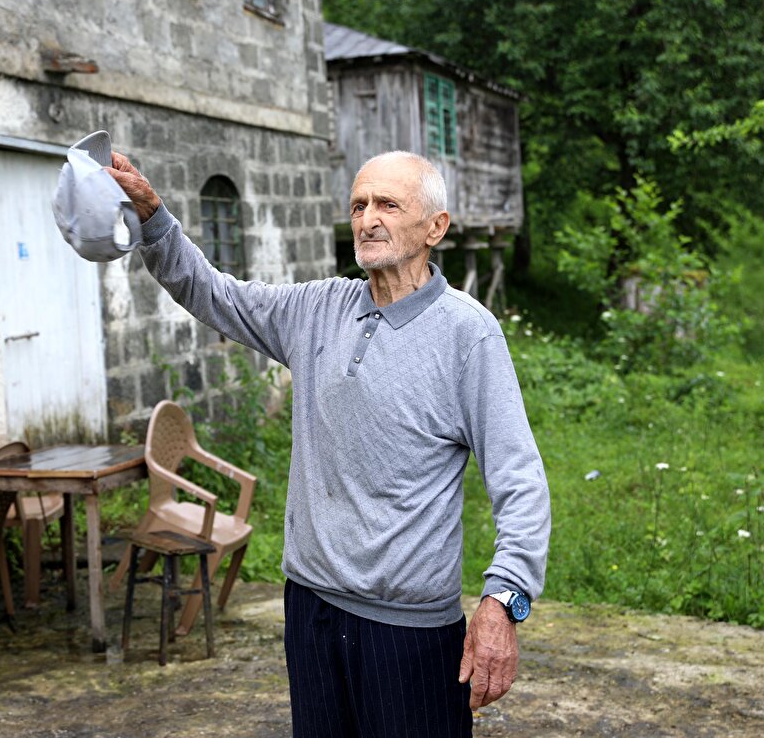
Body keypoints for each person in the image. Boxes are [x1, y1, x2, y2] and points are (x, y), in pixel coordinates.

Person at [106, 150, 550, 736]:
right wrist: (154, 216)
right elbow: (212, 293)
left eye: (389, 204)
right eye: (359, 205)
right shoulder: (317, 309)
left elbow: (519, 479)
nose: (368, 218)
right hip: (310, 609)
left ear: (434, 229)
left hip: (408, 629)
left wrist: (504, 599)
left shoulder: (468, 335)